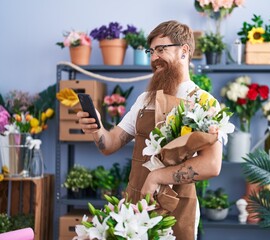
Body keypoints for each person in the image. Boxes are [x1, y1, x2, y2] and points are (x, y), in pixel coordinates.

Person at [77, 20, 223, 240]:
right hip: (135, 205)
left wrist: (157, 177)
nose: (154, 58)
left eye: (161, 49)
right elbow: (111, 143)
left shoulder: (204, 102)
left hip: (178, 211)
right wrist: (96, 128)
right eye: (151, 51)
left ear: (184, 51)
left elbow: (212, 165)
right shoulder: (145, 100)